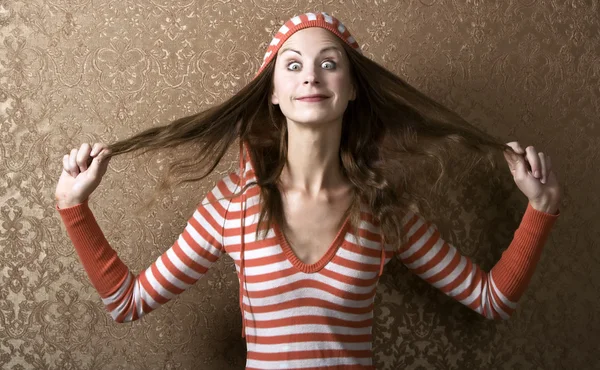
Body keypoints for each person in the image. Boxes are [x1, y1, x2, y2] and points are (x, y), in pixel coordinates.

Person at [54, 11, 561, 370]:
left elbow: (491, 299)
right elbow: (127, 301)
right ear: (273, 92)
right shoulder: (232, 204)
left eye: (329, 63)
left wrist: (541, 210)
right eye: (292, 65)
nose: (311, 76)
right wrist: (73, 207)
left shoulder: (385, 212)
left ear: (353, 86)